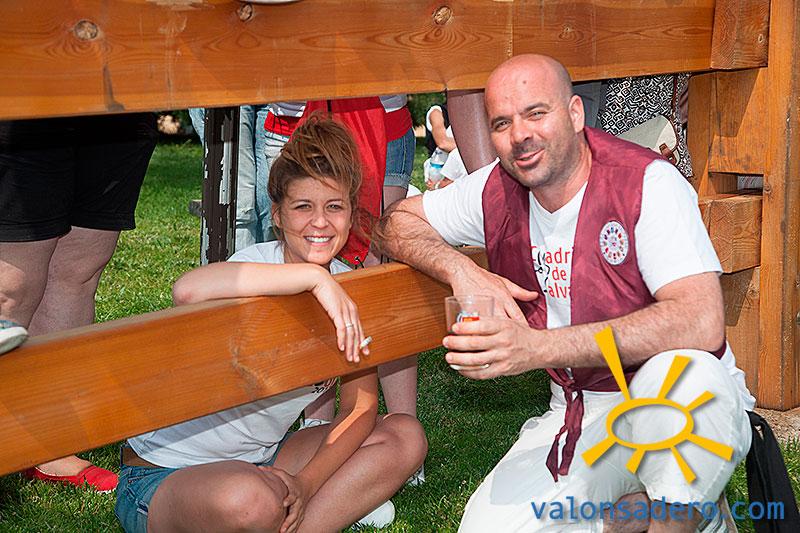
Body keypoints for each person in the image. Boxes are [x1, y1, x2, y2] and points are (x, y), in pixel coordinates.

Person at [375, 54, 754, 532]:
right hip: (578, 408)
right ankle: (632, 513)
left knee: (686, 378)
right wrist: (461, 270)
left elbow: (700, 322)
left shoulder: (645, 181)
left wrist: (536, 348)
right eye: (502, 123)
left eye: (536, 113)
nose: (520, 135)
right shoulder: (497, 187)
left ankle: (682, 515)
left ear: (575, 114)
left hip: (666, 394)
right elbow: (394, 224)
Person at [114, 115, 427, 533]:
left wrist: (306, 482)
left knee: (404, 435)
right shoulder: (255, 266)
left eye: (334, 207)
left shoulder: (349, 288)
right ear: (277, 215)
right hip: (166, 474)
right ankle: (299, 510)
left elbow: (360, 406)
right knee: (253, 501)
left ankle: (298, 517)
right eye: (303, 207)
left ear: (352, 215)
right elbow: (187, 290)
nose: (320, 222)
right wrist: (314, 278)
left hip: (264, 460)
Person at [0, 112, 158, 492]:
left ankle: (49, 444)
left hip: (121, 103)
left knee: (77, 271)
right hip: (27, 102)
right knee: (10, 286)